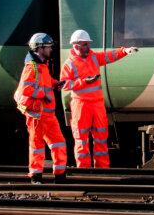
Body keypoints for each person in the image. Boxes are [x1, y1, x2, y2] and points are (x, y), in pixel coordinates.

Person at [59, 29, 137, 169]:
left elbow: (109, 56)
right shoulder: (69, 64)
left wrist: (124, 51)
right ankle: (83, 171)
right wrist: (84, 81)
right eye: (85, 44)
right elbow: (63, 85)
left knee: (101, 138)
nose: (88, 47)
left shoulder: (93, 57)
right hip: (81, 105)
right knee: (81, 141)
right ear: (76, 46)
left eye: (88, 44)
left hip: (97, 104)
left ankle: (102, 170)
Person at [14, 33, 68, 183]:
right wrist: (43, 94)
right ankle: (35, 176)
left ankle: (60, 175)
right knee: (37, 146)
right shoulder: (31, 67)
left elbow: (44, 81)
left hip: (48, 115)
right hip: (37, 115)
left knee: (59, 143)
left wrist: (55, 83)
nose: (51, 49)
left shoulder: (41, 65)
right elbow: (26, 89)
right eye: (48, 47)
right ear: (40, 48)